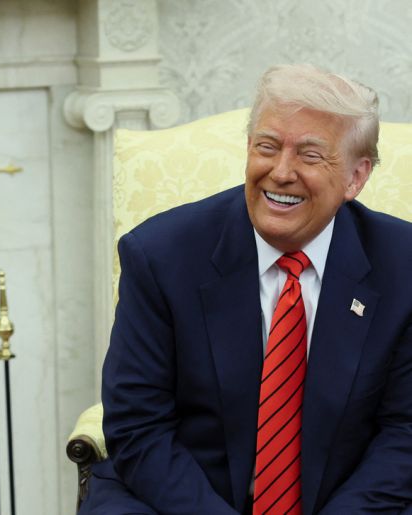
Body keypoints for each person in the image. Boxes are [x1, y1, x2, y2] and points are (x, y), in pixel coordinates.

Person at [80, 64, 412, 514]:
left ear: (356, 176)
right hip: (184, 496)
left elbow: (404, 432)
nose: (281, 172)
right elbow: (138, 426)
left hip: (346, 499)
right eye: (267, 147)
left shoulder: (402, 265)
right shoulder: (160, 255)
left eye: (310, 155)